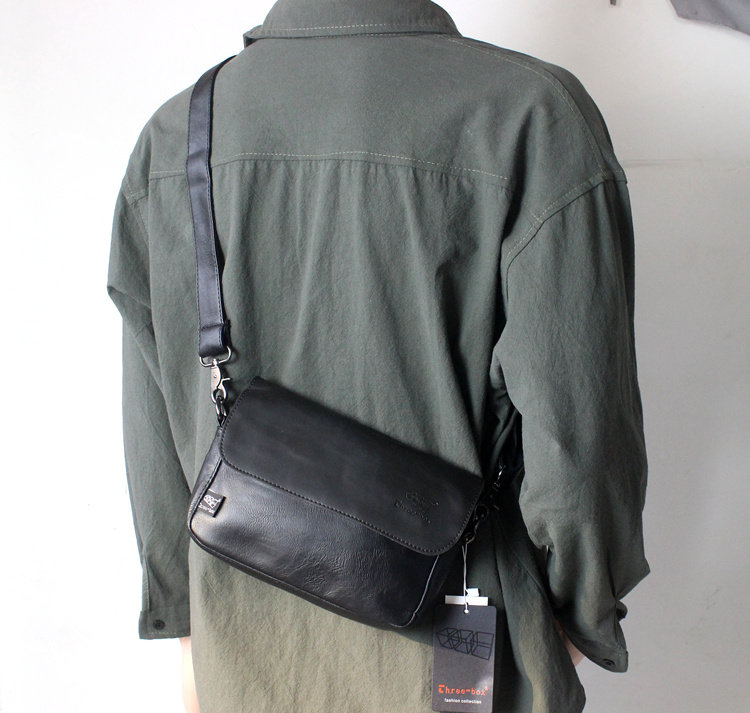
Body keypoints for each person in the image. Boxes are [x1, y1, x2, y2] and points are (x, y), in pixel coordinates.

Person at [107, 1, 649, 712]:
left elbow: (156, 442)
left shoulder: (174, 137)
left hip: (244, 661)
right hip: (471, 654)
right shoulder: (534, 117)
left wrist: (190, 635)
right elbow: (580, 439)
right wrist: (579, 620)